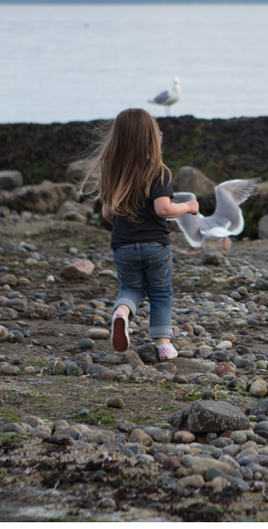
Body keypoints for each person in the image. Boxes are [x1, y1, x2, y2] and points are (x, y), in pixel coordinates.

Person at [80, 108, 198, 360]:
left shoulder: (114, 171)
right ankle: (164, 344)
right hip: (156, 246)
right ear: (152, 137)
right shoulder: (159, 170)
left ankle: (122, 312)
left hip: (123, 245)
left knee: (131, 287)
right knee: (160, 292)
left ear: (117, 139)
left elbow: (107, 214)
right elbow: (163, 208)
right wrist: (188, 206)